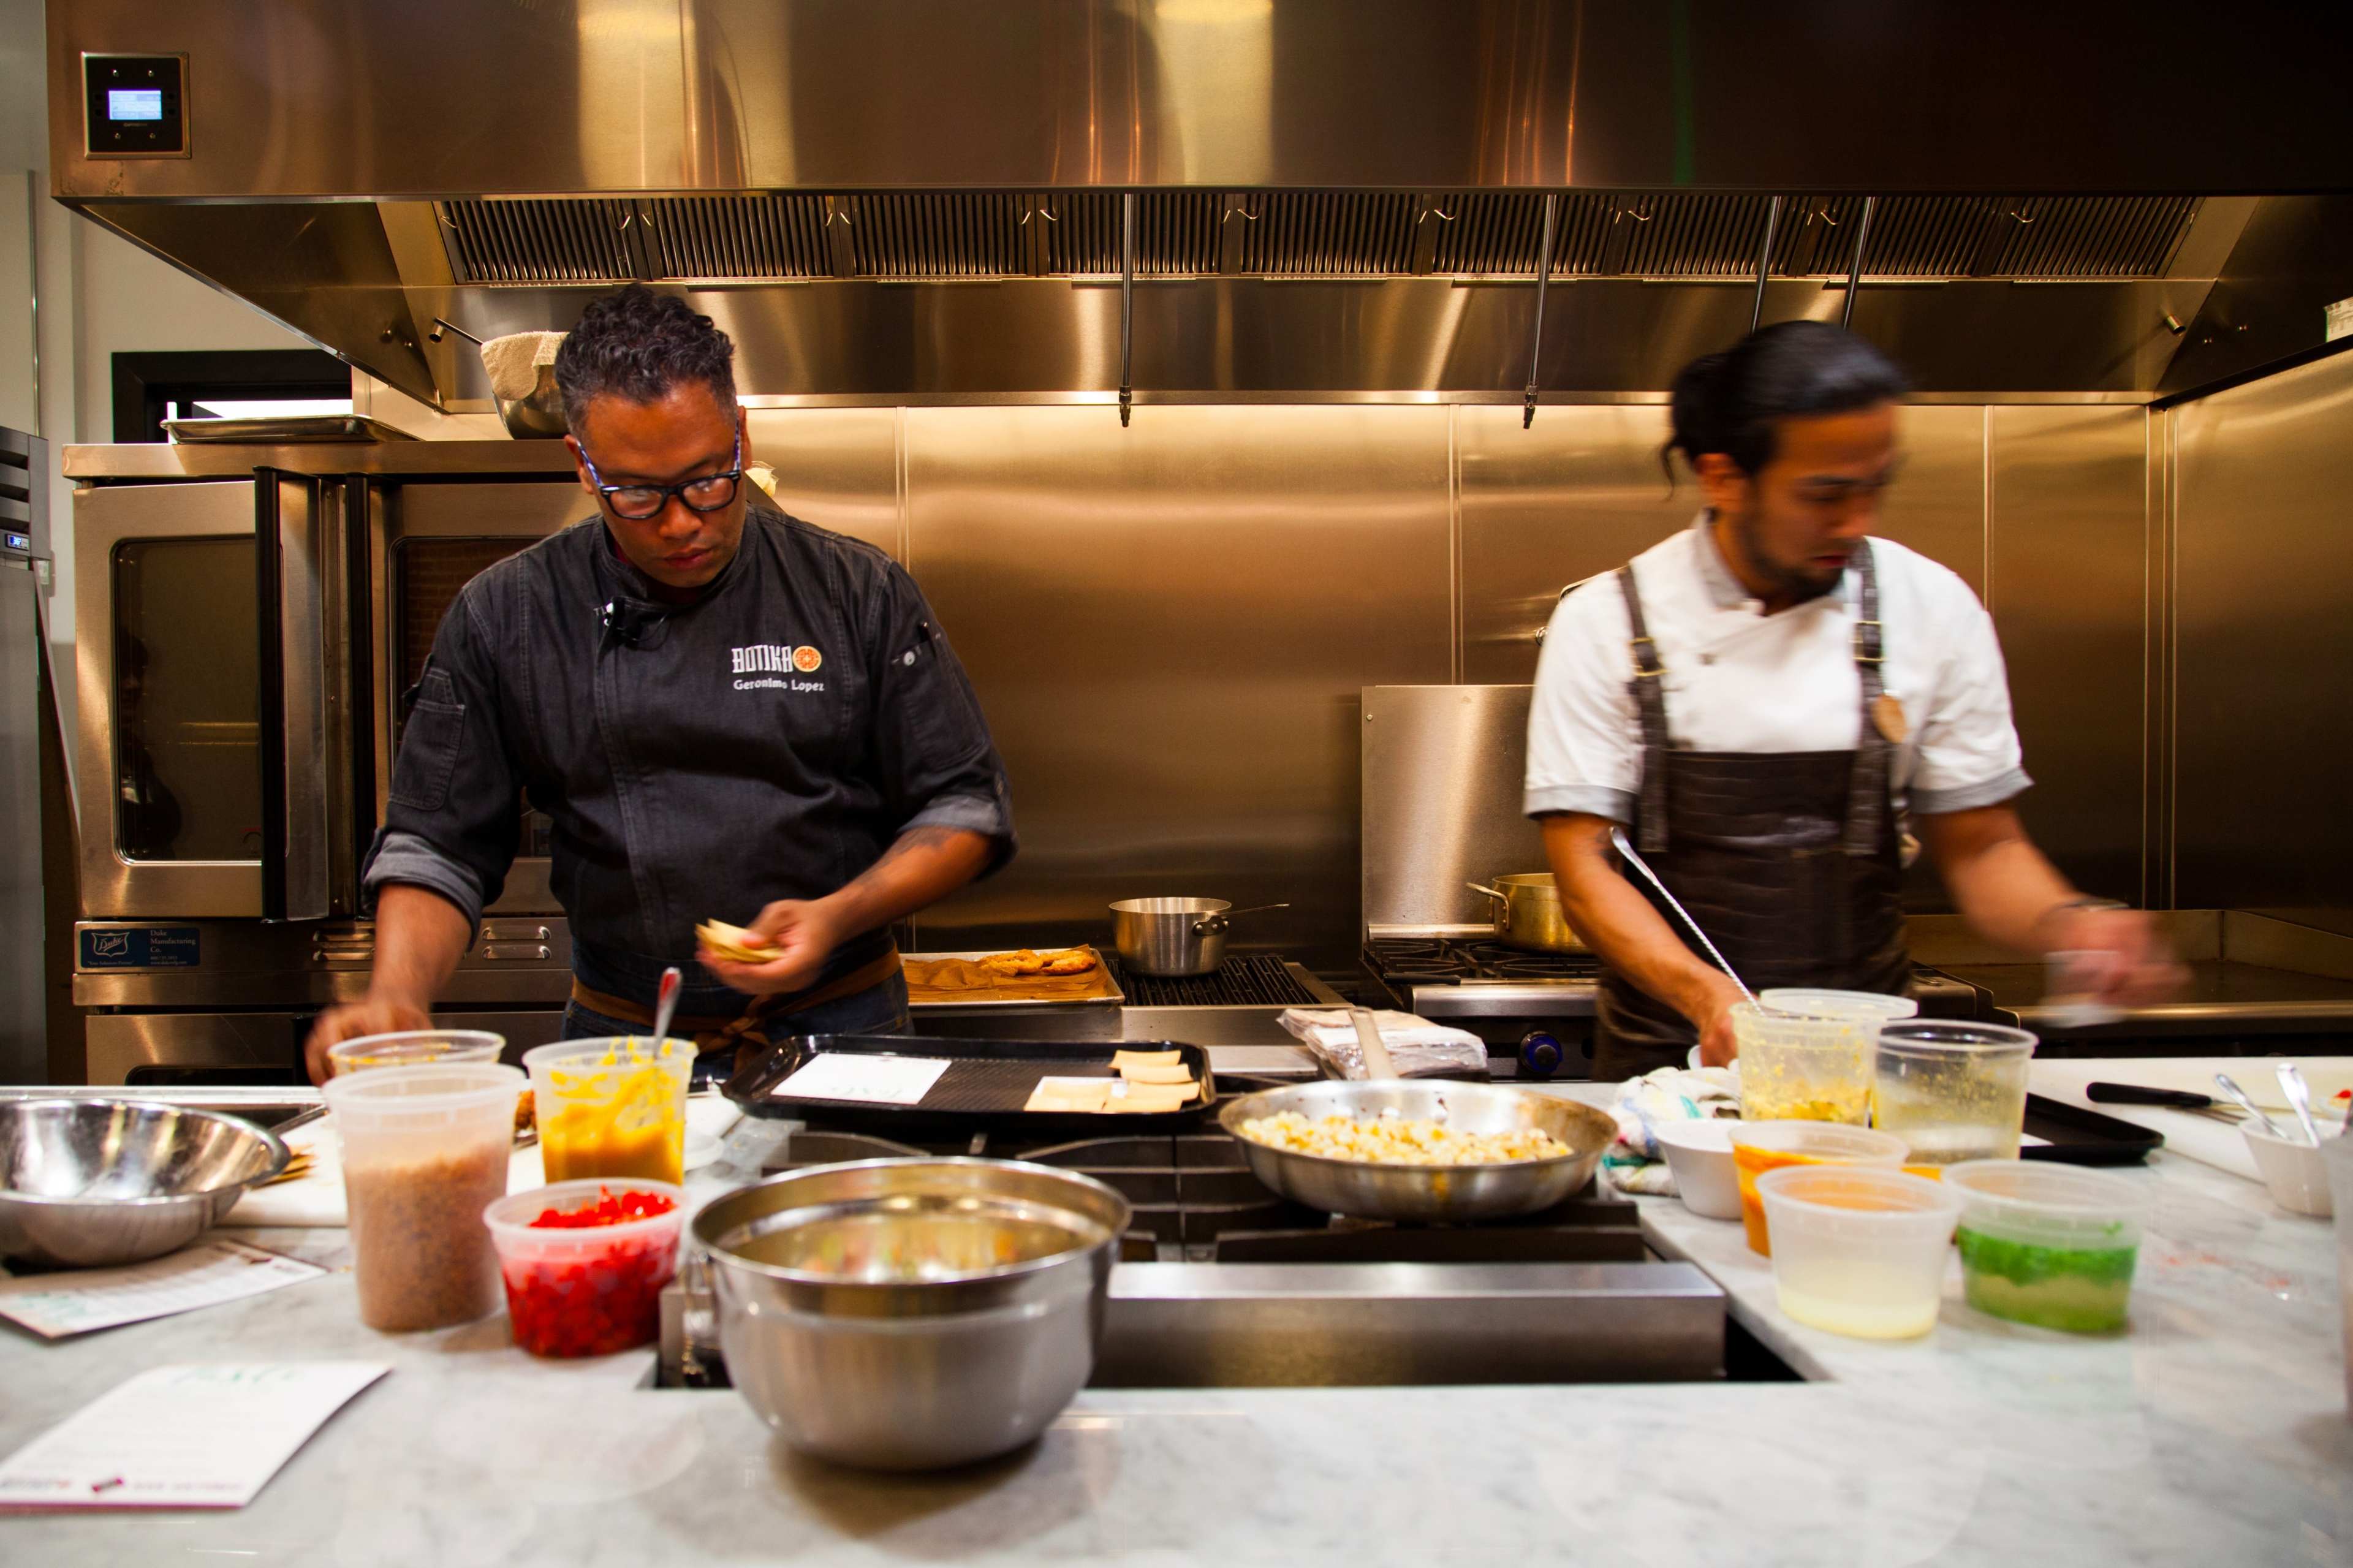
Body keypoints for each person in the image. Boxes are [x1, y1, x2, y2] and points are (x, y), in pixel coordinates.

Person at [303, 286, 1013, 1081]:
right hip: (622, 1042)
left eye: (709, 479)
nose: (681, 522)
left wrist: (837, 913)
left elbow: (964, 805)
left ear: (741, 435)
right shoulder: (507, 614)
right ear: (582, 465)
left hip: (842, 1033)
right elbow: (436, 843)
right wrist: (398, 993)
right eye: (637, 493)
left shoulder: (856, 590)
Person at [1526, 320, 2180, 1080]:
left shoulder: (1931, 607)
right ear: (1724, 478)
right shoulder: (1609, 620)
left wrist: (2073, 925)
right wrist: (1710, 1000)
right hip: (1670, 1074)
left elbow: (1985, 846)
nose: (1857, 522)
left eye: (1874, 487)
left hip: (1870, 1072)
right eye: (1825, 495)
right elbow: (1586, 868)